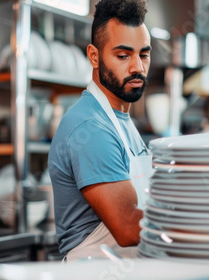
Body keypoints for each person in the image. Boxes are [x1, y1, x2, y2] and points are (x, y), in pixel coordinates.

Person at [48, 0, 152, 261]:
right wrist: (205, 219)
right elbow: (128, 228)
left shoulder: (123, 121)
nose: (137, 67)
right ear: (94, 56)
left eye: (144, 54)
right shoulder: (91, 127)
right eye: (123, 55)